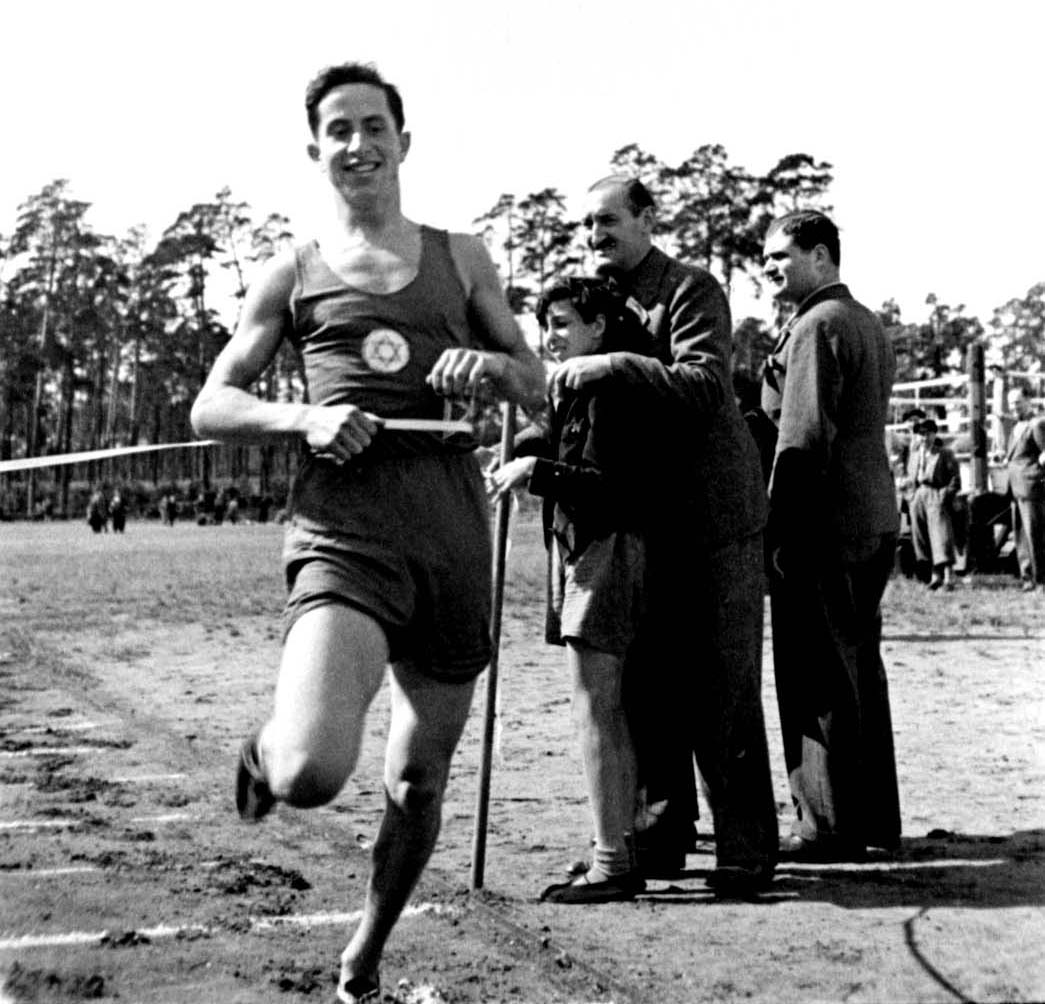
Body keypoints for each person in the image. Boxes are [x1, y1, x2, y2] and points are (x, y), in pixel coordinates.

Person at [190, 62, 544, 1004]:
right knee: (310, 773)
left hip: (451, 538)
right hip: (344, 534)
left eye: (372, 125)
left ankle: (363, 958)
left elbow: (533, 377)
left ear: (403, 140)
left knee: (416, 786)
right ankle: (262, 754)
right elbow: (212, 404)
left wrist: (490, 369)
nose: (357, 144)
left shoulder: (462, 256)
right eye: (337, 130)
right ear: (316, 152)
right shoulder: (291, 269)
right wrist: (300, 420)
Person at [560, 176, 778, 894]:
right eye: (587, 226)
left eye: (608, 221)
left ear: (648, 218)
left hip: (715, 520)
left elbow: (705, 384)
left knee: (720, 685)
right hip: (644, 523)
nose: (595, 236)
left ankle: (744, 849)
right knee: (646, 689)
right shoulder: (601, 303)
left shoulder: (690, 288)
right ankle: (660, 835)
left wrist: (612, 365)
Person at [488, 277, 659, 903]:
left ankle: (614, 862)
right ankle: (616, 847)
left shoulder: (613, 387)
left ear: (599, 327)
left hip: (609, 546)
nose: (550, 337)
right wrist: (521, 448)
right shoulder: (578, 388)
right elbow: (566, 448)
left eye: (561, 323)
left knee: (598, 708)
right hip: (583, 548)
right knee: (602, 707)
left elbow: (614, 484)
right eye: (545, 325)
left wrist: (535, 470)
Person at [760, 209, 901, 862]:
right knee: (857, 670)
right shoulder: (863, 320)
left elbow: (802, 439)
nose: (768, 270)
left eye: (778, 257)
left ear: (819, 257)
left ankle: (824, 826)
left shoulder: (815, 325)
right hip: (872, 515)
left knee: (814, 674)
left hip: (823, 523)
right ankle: (872, 819)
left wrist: (780, 530)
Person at [908, 417, 961, 590]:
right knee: (922, 535)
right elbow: (911, 478)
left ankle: (948, 577)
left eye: (927, 433)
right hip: (919, 496)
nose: (924, 438)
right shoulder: (915, 455)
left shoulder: (944, 454)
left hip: (936, 493)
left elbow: (955, 479)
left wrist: (944, 495)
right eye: (921, 434)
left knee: (941, 535)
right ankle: (935, 576)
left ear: (934, 434)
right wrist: (911, 496)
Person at [1004, 384, 1045, 591]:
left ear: (1028, 401)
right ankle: (1027, 577)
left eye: (1018, 402)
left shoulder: (1037, 424)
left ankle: (1040, 580)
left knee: (1035, 535)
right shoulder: (1015, 426)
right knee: (1020, 534)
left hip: (1031, 488)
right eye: (1011, 403)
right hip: (1015, 488)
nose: (1014, 407)